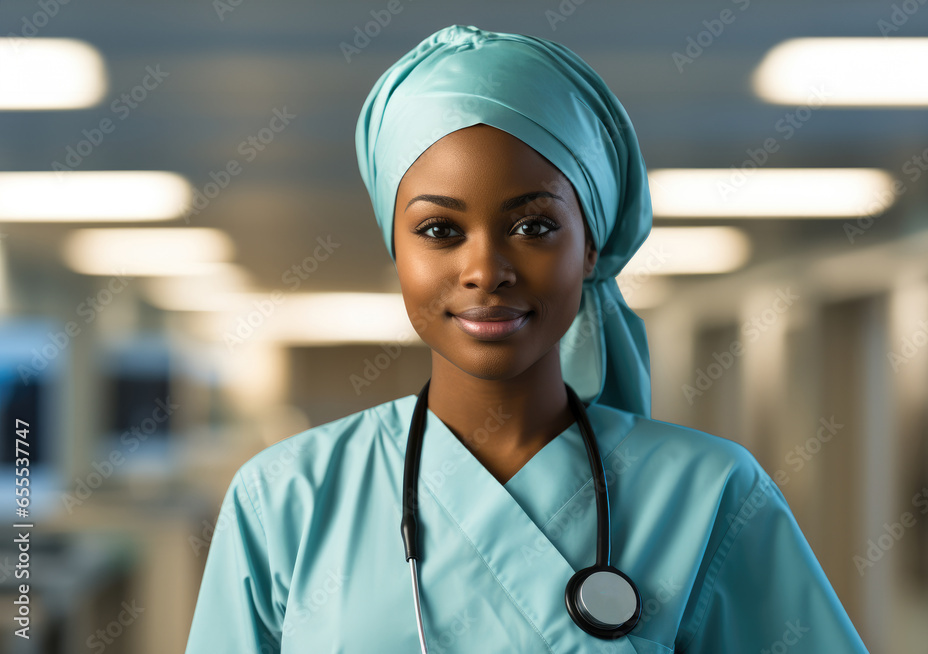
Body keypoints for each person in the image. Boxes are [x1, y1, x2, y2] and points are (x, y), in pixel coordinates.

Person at [185, 24, 870, 653]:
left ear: (592, 248)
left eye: (534, 226)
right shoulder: (286, 499)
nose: (486, 270)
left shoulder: (711, 493)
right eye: (438, 231)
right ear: (395, 249)